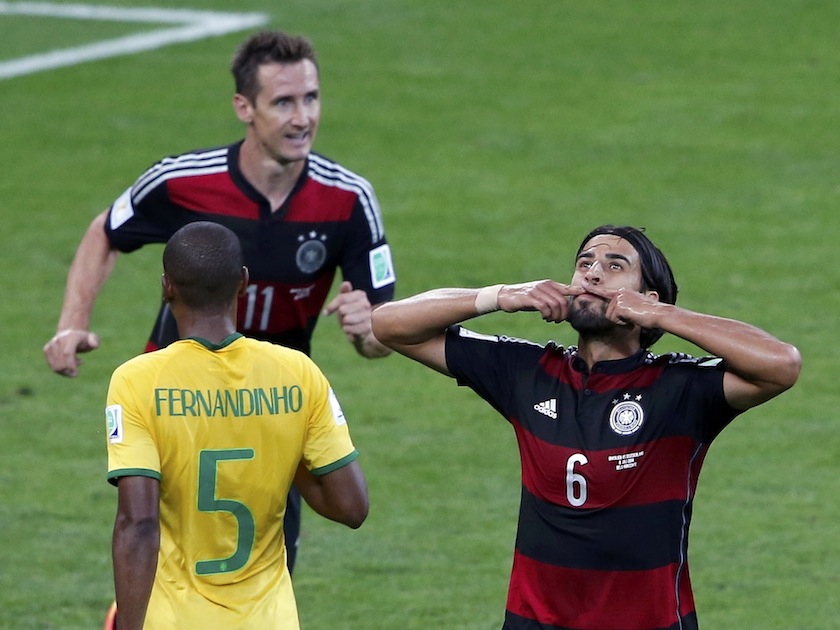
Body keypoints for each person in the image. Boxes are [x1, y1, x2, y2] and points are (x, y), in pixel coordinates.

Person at [43, 29, 395, 571]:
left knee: (266, 563)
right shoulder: (182, 182)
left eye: (311, 97)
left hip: (273, 405)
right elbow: (106, 231)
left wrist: (368, 328)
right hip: (176, 397)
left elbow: (381, 335)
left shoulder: (348, 199)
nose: (303, 117)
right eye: (283, 102)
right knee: (155, 555)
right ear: (244, 107)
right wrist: (72, 324)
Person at [371, 225, 801, 630]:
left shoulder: (680, 388)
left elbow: (781, 364)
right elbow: (389, 325)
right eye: (585, 263)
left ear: (646, 298)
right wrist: (499, 296)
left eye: (615, 266)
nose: (593, 273)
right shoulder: (528, 372)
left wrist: (661, 315)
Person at [106, 222, 368, 630]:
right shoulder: (298, 373)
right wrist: (286, 447)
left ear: (167, 287)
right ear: (243, 282)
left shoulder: (137, 381)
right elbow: (351, 507)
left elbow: (138, 523)